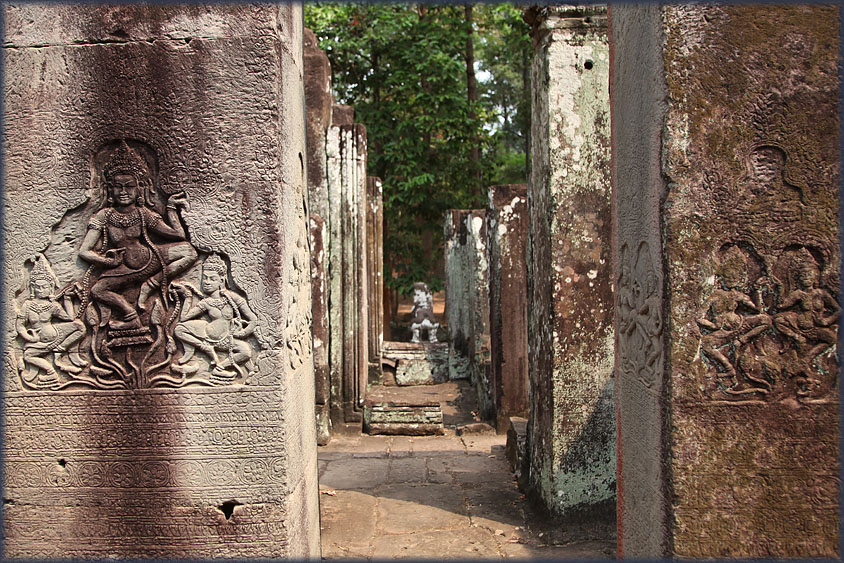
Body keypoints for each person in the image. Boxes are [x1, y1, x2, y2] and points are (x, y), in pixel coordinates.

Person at [78, 140, 197, 330]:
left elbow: (178, 235)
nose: (123, 192)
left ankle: (150, 286)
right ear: (110, 189)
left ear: (139, 188)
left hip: (149, 260)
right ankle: (130, 316)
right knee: (98, 291)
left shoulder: (143, 214)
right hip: (121, 267)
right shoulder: (104, 216)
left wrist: (171, 209)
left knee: (189, 251)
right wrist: (106, 262)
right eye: (118, 186)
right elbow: (84, 251)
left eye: (129, 186)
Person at [172, 254, 257, 382]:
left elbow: (253, 319)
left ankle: (220, 367)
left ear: (221, 281)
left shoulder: (232, 298)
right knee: (179, 329)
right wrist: (187, 297)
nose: (207, 282)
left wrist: (243, 333)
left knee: (246, 352)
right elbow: (184, 318)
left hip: (227, 338)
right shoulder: (206, 302)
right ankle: (206, 349)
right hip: (207, 335)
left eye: (212, 279)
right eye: (204, 278)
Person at [16, 254, 87, 387]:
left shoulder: (53, 305)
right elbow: (20, 325)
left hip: (55, 335)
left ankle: (59, 351)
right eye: (38, 287)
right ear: (32, 288)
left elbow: (70, 318)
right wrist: (29, 338)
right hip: (37, 342)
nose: (41, 290)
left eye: (44, 287)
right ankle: (50, 372)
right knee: (28, 356)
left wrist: (67, 299)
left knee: (79, 326)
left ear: (50, 287)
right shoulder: (27, 305)